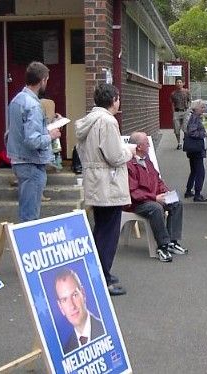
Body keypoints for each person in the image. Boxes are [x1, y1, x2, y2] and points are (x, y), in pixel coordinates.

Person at [75, 83, 136, 296]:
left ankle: (97, 272)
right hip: (108, 184)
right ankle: (103, 278)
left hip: (94, 180)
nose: (119, 102)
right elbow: (114, 156)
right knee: (108, 233)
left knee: (100, 229)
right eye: (118, 98)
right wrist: (129, 151)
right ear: (113, 100)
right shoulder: (108, 122)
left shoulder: (88, 121)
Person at [6, 61, 61, 222]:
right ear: (42, 80)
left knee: (26, 211)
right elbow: (33, 140)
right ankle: (26, 245)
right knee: (30, 217)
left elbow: (21, 131)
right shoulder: (33, 106)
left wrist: (47, 128)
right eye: (47, 80)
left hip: (18, 160)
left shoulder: (17, 100)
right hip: (32, 163)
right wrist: (51, 135)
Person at [126, 132, 189, 263]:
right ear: (138, 146)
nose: (149, 145)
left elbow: (157, 180)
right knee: (156, 208)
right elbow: (133, 192)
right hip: (137, 203)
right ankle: (162, 245)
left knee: (176, 202)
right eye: (146, 143)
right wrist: (154, 198)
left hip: (153, 197)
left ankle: (172, 241)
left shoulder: (147, 160)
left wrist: (165, 192)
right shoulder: (129, 165)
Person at [54, 268, 104, 353]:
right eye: (64, 300)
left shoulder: (105, 330)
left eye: (75, 295)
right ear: (60, 307)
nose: (72, 306)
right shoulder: (67, 350)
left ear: (83, 294)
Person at [183, 99, 207, 202]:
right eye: (202, 107)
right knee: (200, 172)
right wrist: (204, 134)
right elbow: (192, 132)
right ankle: (197, 194)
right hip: (196, 148)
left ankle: (189, 190)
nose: (204, 109)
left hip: (191, 148)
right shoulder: (194, 118)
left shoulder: (190, 116)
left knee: (193, 170)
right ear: (196, 108)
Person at [170, 77, 191, 150]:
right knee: (176, 128)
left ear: (183, 83)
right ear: (175, 84)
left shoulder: (186, 92)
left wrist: (189, 109)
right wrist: (173, 112)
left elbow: (190, 101)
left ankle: (186, 142)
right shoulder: (173, 94)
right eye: (177, 82)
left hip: (185, 111)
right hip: (177, 112)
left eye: (180, 82)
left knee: (185, 128)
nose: (179, 83)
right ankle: (179, 143)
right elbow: (172, 103)